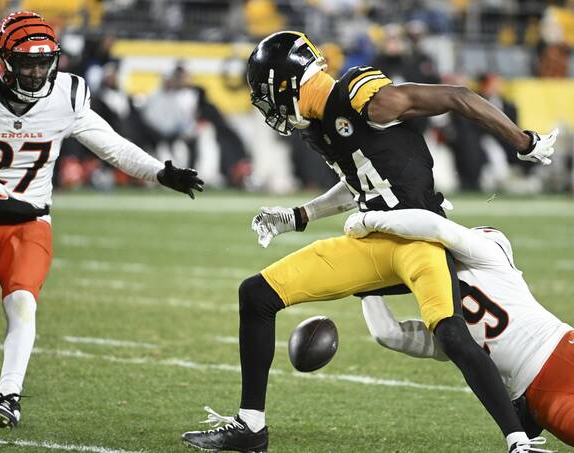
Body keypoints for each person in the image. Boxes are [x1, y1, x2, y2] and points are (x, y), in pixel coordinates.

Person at [181, 31, 556, 453]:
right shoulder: (318, 126)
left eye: (267, 95)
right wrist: (299, 215)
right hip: (372, 241)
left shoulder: (362, 95)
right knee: (256, 294)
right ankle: (251, 428)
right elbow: (360, 178)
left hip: (419, 237)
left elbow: (458, 97)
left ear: (287, 85)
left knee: (451, 333)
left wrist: (523, 143)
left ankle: (519, 441)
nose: (269, 109)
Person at [0, 11, 203, 428]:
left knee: (22, 302)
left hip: (31, 220)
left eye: (44, 62)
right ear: (3, 62)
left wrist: (159, 172)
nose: (37, 71)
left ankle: (9, 394)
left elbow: (111, 145)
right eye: (27, 62)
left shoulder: (68, 95)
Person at [343, 208, 573, 447]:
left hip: (549, 380)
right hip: (552, 372)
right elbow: (390, 334)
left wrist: (366, 283)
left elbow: (388, 334)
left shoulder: (484, 262)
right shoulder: (450, 313)